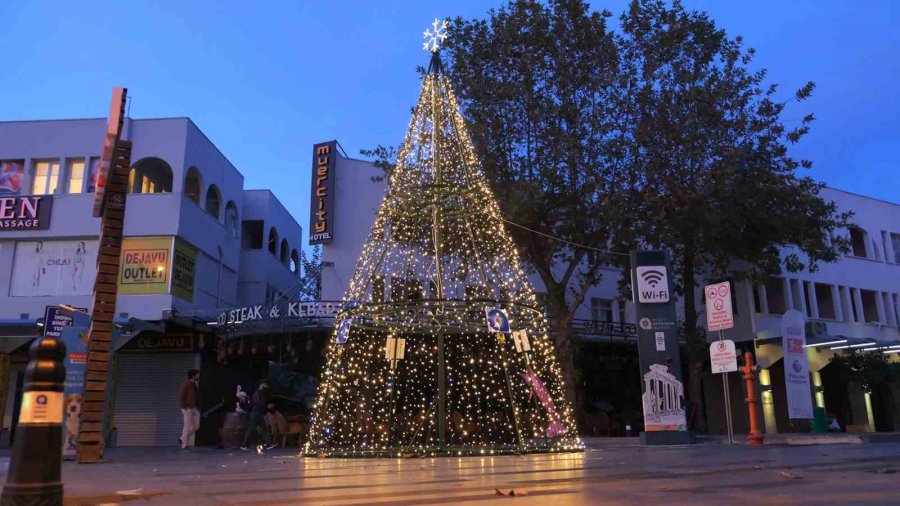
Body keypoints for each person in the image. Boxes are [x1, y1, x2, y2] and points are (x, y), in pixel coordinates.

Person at [241, 379, 277, 451]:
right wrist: (267, 406)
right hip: (256, 414)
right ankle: (244, 445)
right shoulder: (257, 393)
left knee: (264, 430)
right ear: (262, 384)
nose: (267, 386)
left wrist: (267, 406)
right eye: (266, 385)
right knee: (251, 429)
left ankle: (268, 444)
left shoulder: (262, 393)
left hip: (260, 413)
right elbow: (258, 403)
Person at [179, 369, 201, 450]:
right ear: (193, 375)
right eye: (197, 375)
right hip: (187, 408)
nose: (198, 376)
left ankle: (182, 438)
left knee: (196, 426)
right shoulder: (186, 384)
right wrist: (185, 406)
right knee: (187, 426)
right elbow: (182, 396)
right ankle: (184, 445)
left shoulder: (194, 385)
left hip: (193, 407)